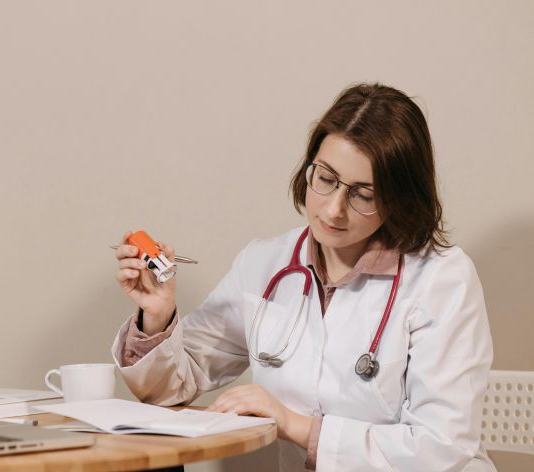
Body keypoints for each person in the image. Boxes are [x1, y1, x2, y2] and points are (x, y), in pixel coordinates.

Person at [111, 83, 495, 471]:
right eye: (326, 178)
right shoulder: (265, 264)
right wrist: (157, 315)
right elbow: (170, 388)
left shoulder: (442, 278)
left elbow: (441, 447)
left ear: (399, 198)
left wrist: (295, 425)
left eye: (363, 195)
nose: (333, 210)